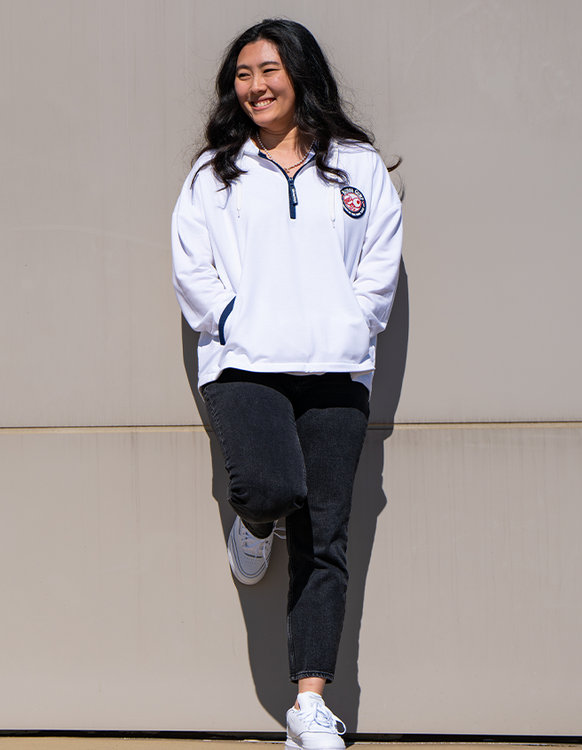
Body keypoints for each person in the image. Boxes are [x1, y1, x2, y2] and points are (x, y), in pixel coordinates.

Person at [172, 18, 403, 749]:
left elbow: (379, 263)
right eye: (242, 74)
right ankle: (256, 520)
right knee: (271, 488)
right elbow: (192, 266)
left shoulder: (358, 168)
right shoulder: (216, 173)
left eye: (268, 70)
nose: (255, 86)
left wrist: (350, 325)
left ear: (299, 74)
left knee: (325, 537)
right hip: (245, 365)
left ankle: (309, 703)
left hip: (336, 370)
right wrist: (234, 317)